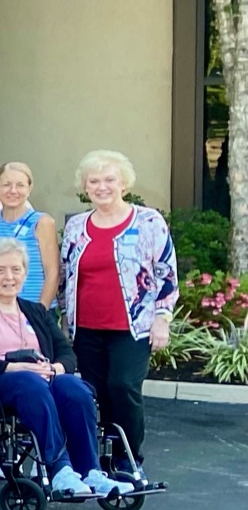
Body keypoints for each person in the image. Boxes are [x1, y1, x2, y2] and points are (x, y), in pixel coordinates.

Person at [0, 240, 124, 500]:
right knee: (30, 382)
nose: (9, 277)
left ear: (25, 274)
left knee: (74, 388)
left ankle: (90, 470)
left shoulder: (35, 311)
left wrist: (57, 367)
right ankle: (59, 468)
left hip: (43, 379)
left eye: (16, 270)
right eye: (0, 270)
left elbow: (67, 353)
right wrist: (10, 366)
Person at [59, 149, 175, 469]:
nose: (102, 186)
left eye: (109, 179)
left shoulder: (149, 221)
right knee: (95, 392)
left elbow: (166, 273)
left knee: (123, 386)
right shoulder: (77, 226)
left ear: (124, 183)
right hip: (87, 327)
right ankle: (102, 456)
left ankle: (127, 457)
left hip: (133, 326)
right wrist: (59, 320)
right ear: (85, 186)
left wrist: (162, 318)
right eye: (93, 181)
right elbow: (65, 274)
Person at [0, 161, 62, 307]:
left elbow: (53, 273)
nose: (13, 191)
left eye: (20, 185)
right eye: (6, 185)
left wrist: (40, 311)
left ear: (29, 188)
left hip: (35, 308)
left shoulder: (42, 223)